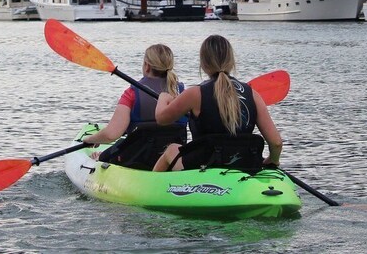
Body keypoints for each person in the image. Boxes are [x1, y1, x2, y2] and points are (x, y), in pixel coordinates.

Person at [152, 34, 282, 172]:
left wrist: (163, 98)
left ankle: (151, 187)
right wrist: (272, 160)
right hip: (243, 166)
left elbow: (161, 119)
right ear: (231, 62)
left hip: (203, 167)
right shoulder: (253, 94)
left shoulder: (195, 94)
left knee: (172, 149)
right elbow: (276, 143)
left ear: (203, 64)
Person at [81, 44, 187, 168]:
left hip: (139, 158)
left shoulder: (132, 93)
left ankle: (99, 157)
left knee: (105, 155)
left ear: (146, 66)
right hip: (174, 158)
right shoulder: (183, 93)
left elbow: (111, 134)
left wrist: (91, 139)